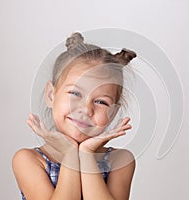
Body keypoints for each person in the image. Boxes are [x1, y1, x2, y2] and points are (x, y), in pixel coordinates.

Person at [12, 32, 137, 200]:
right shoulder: (28, 160)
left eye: (101, 102)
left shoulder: (120, 161)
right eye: (75, 93)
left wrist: (85, 154)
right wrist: (70, 154)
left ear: (113, 112)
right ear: (51, 95)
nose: (86, 109)